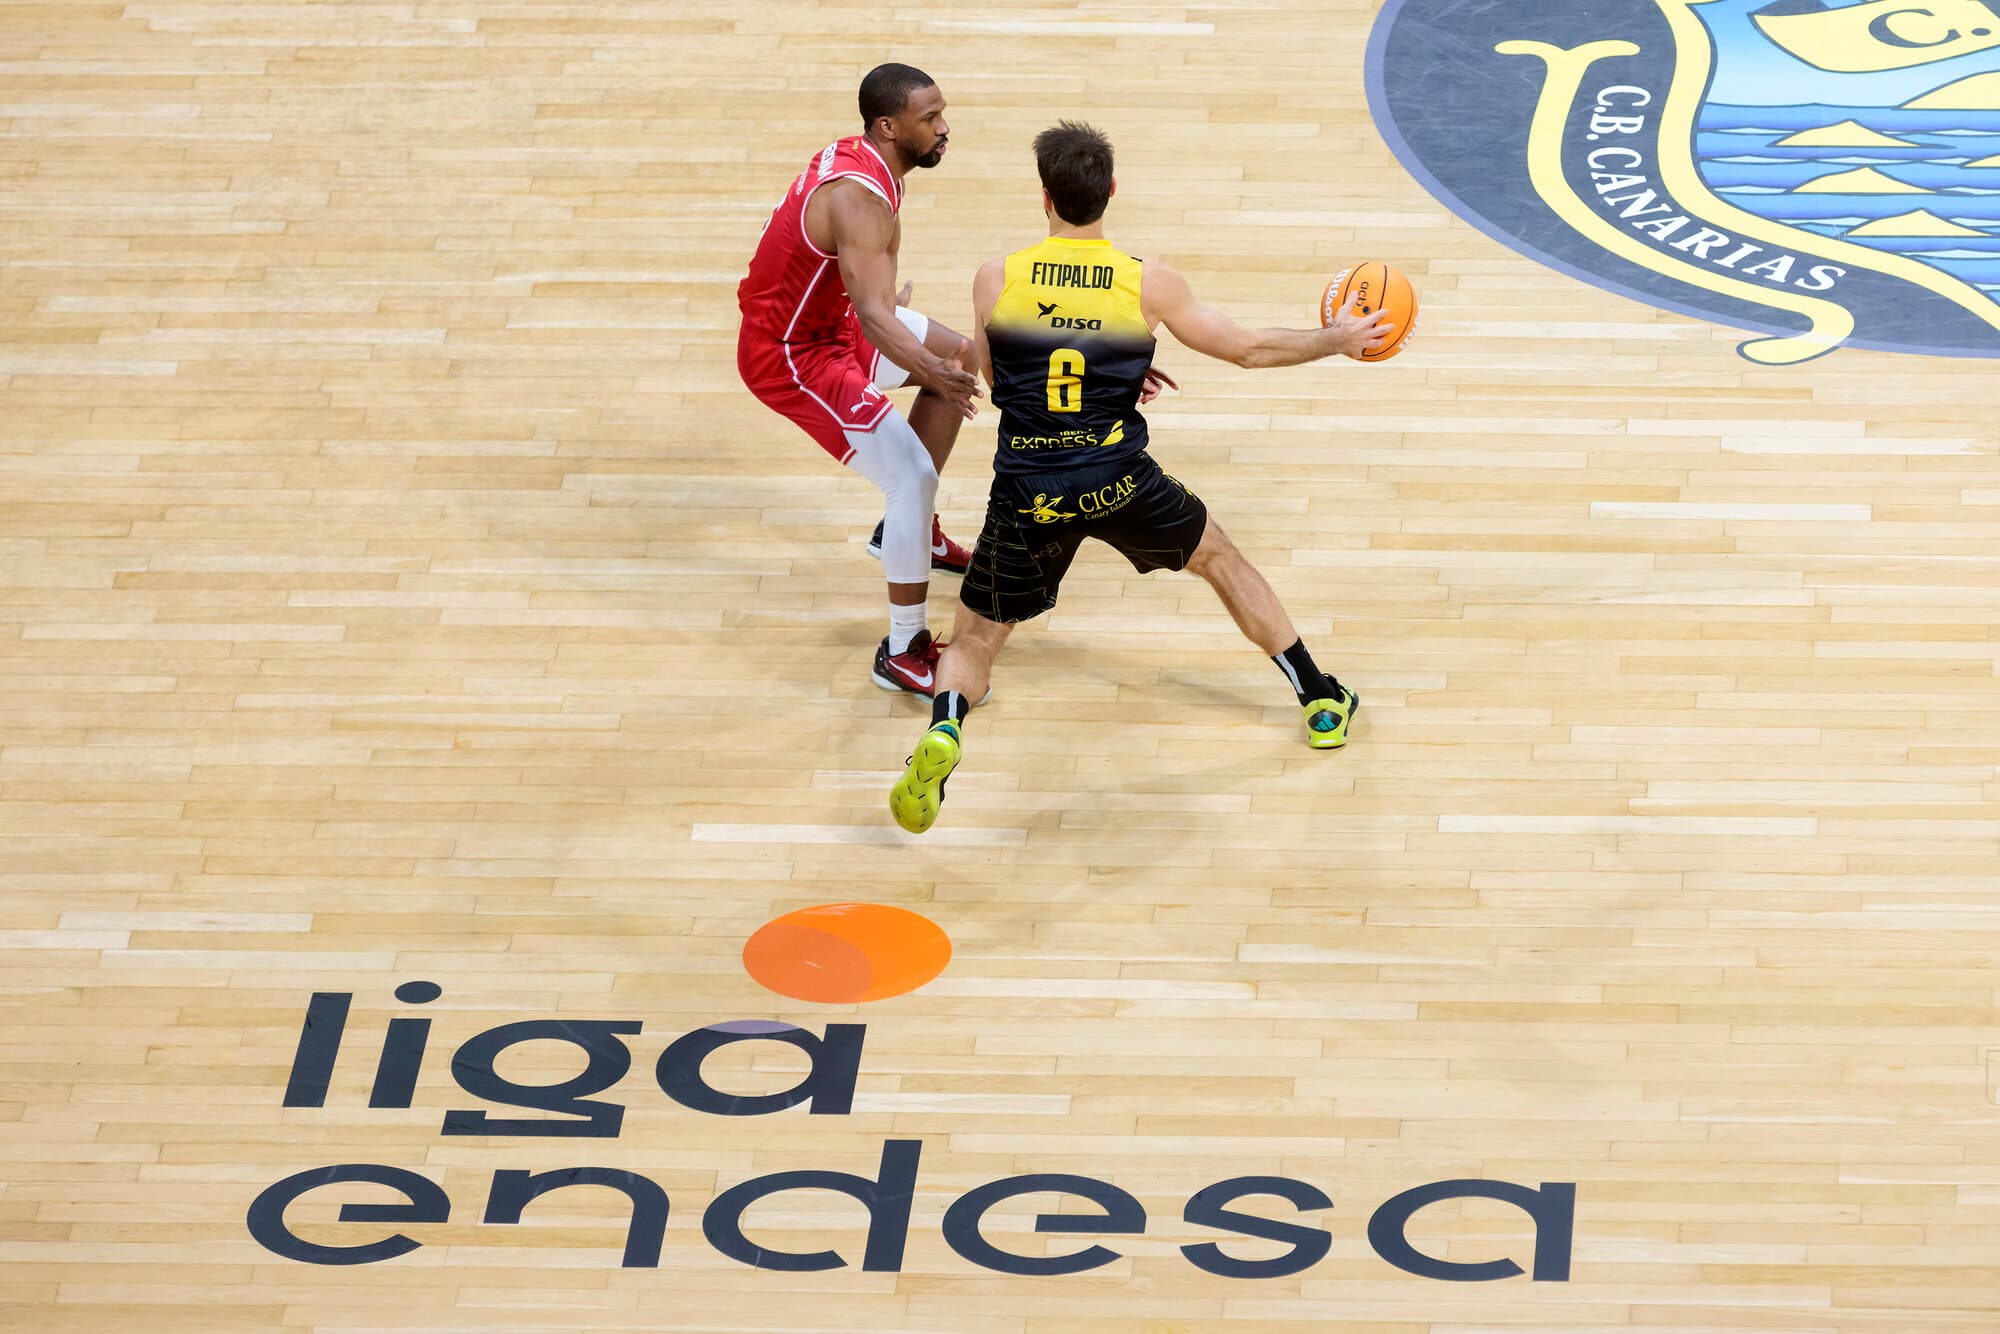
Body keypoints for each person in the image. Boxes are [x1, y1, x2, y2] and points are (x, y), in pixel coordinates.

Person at [889, 120, 1393, 834]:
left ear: (1045, 198)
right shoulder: (1148, 283)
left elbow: (1003, 380)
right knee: (1219, 557)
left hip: (1028, 486)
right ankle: (1319, 697)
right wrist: (1336, 340)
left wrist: (1093, 368)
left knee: (973, 640)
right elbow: (1248, 351)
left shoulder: (995, 277)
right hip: (1117, 478)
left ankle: (944, 729)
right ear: (1111, 192)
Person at [737, 62, 982, 696]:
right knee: (911, 474)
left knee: (960, 358)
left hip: (838, 322)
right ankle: (902, 650)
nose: (944, 127)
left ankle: (911, 532)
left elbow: (867, 296)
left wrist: (928, 357)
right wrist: (923, 365)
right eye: (929, 119)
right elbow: (875, 316)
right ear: (886, 125)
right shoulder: (861, 195)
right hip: (796, 354)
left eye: (941, 112)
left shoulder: (875, 164)